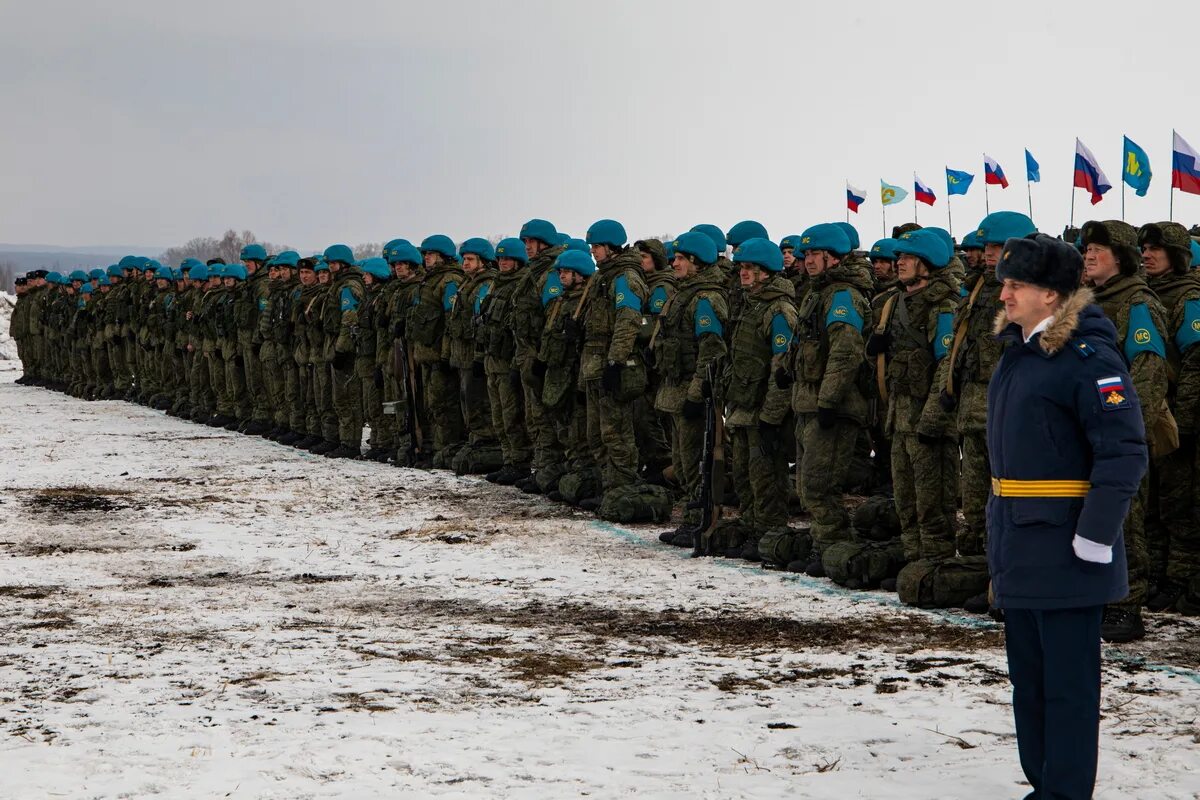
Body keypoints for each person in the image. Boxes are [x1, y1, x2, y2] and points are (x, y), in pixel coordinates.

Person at [988, 232, 1147, 800]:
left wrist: (1095, 535)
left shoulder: (1086, 357)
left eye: (1016, 285)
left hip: (1065, 547)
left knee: (1068, 687)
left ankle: (1066, 792)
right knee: (1029, 683)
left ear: (1051, 296)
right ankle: (1045, 785)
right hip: (1020, 542)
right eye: (1004, 283)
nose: (1003, 294)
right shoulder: (1019, 353)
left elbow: (1124, 449)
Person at [1080, 220, 1168, 641]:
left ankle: (1126, 603)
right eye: (1086, 249)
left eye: (1099, 249)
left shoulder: (1137, 303)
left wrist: (1127, 432)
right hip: (1085, 430)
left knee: (1125, 517)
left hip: (1118, 432)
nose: (1088, 255)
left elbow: (1148, 372)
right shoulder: (1084, 302)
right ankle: (1096, 596)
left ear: (1122, 257)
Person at [787, 223, 872, 573]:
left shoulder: (842, 296)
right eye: (805, 254)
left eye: (814, 254)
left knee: (821, 484)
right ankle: (824, 543)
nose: (807, 261)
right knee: (808, 483)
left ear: (833, 258)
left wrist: (828, 399)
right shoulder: (816, 293)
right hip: (808, 401)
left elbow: (846, 351)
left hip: (832, 407)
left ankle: (833, 545)